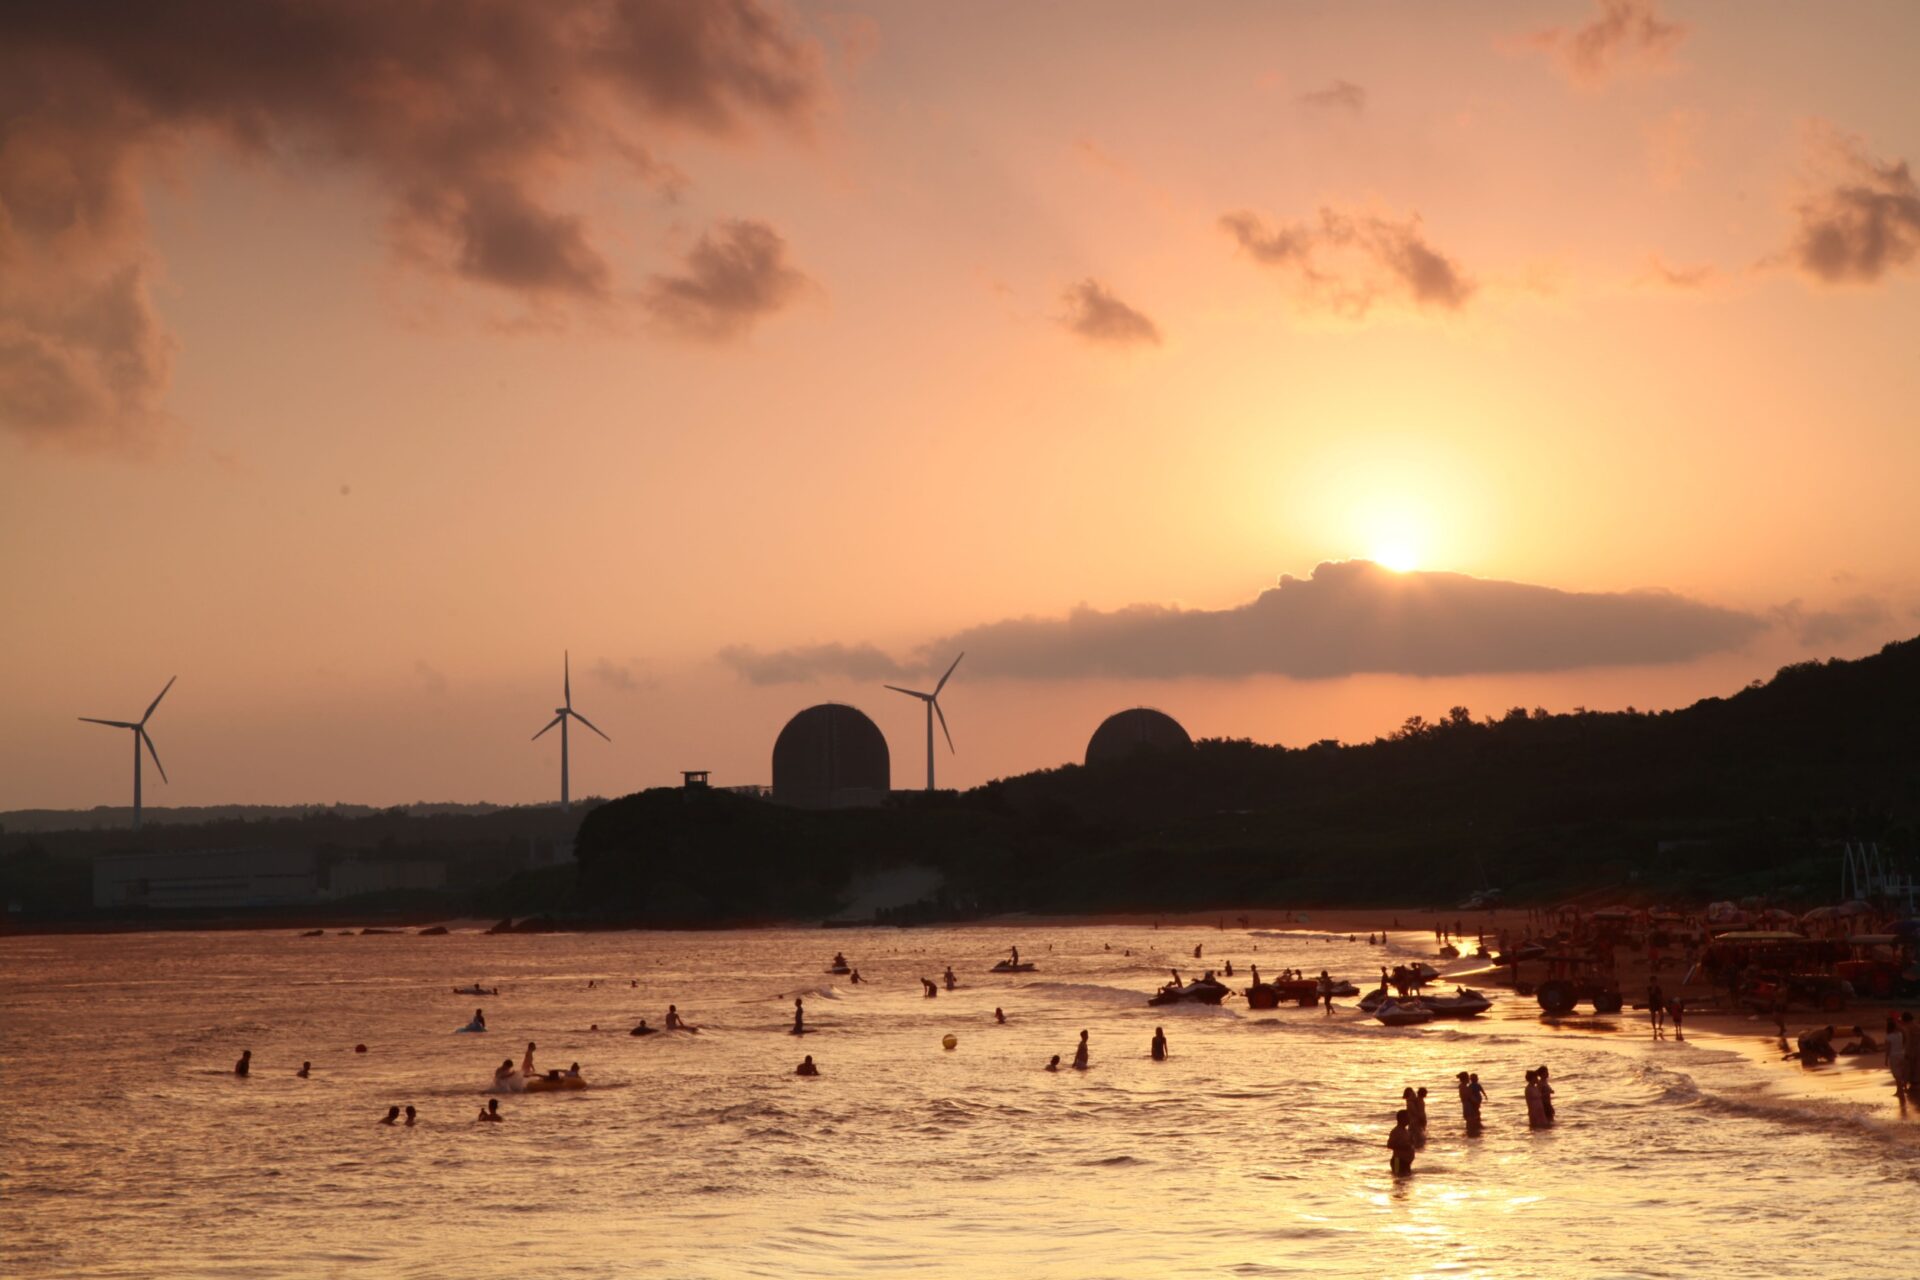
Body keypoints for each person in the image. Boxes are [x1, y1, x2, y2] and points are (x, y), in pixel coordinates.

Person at [1386, 1109, 1415, 1177]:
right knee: (1397, 1179)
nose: (1409, 1119)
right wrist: (1403, 1146)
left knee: (1406, 1182)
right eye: (1407, 1117)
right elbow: (1389, 1145)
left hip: (1406, 1162)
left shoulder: (1406, 1131)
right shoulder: (1396, 1131)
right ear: (1402, 1118)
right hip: (1397, 1161)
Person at [1888, 1015, 1911, 1100]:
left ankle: (1900, 1090)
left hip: (1896, 1054)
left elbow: (1888, 1048)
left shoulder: (1893, 1034)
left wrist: (1886, 1059)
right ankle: (1903, 1088)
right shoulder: (1900, 1032)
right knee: (1902, 1071)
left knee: (1898, 1073)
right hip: (1901, 1053)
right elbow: (1904, 1040)